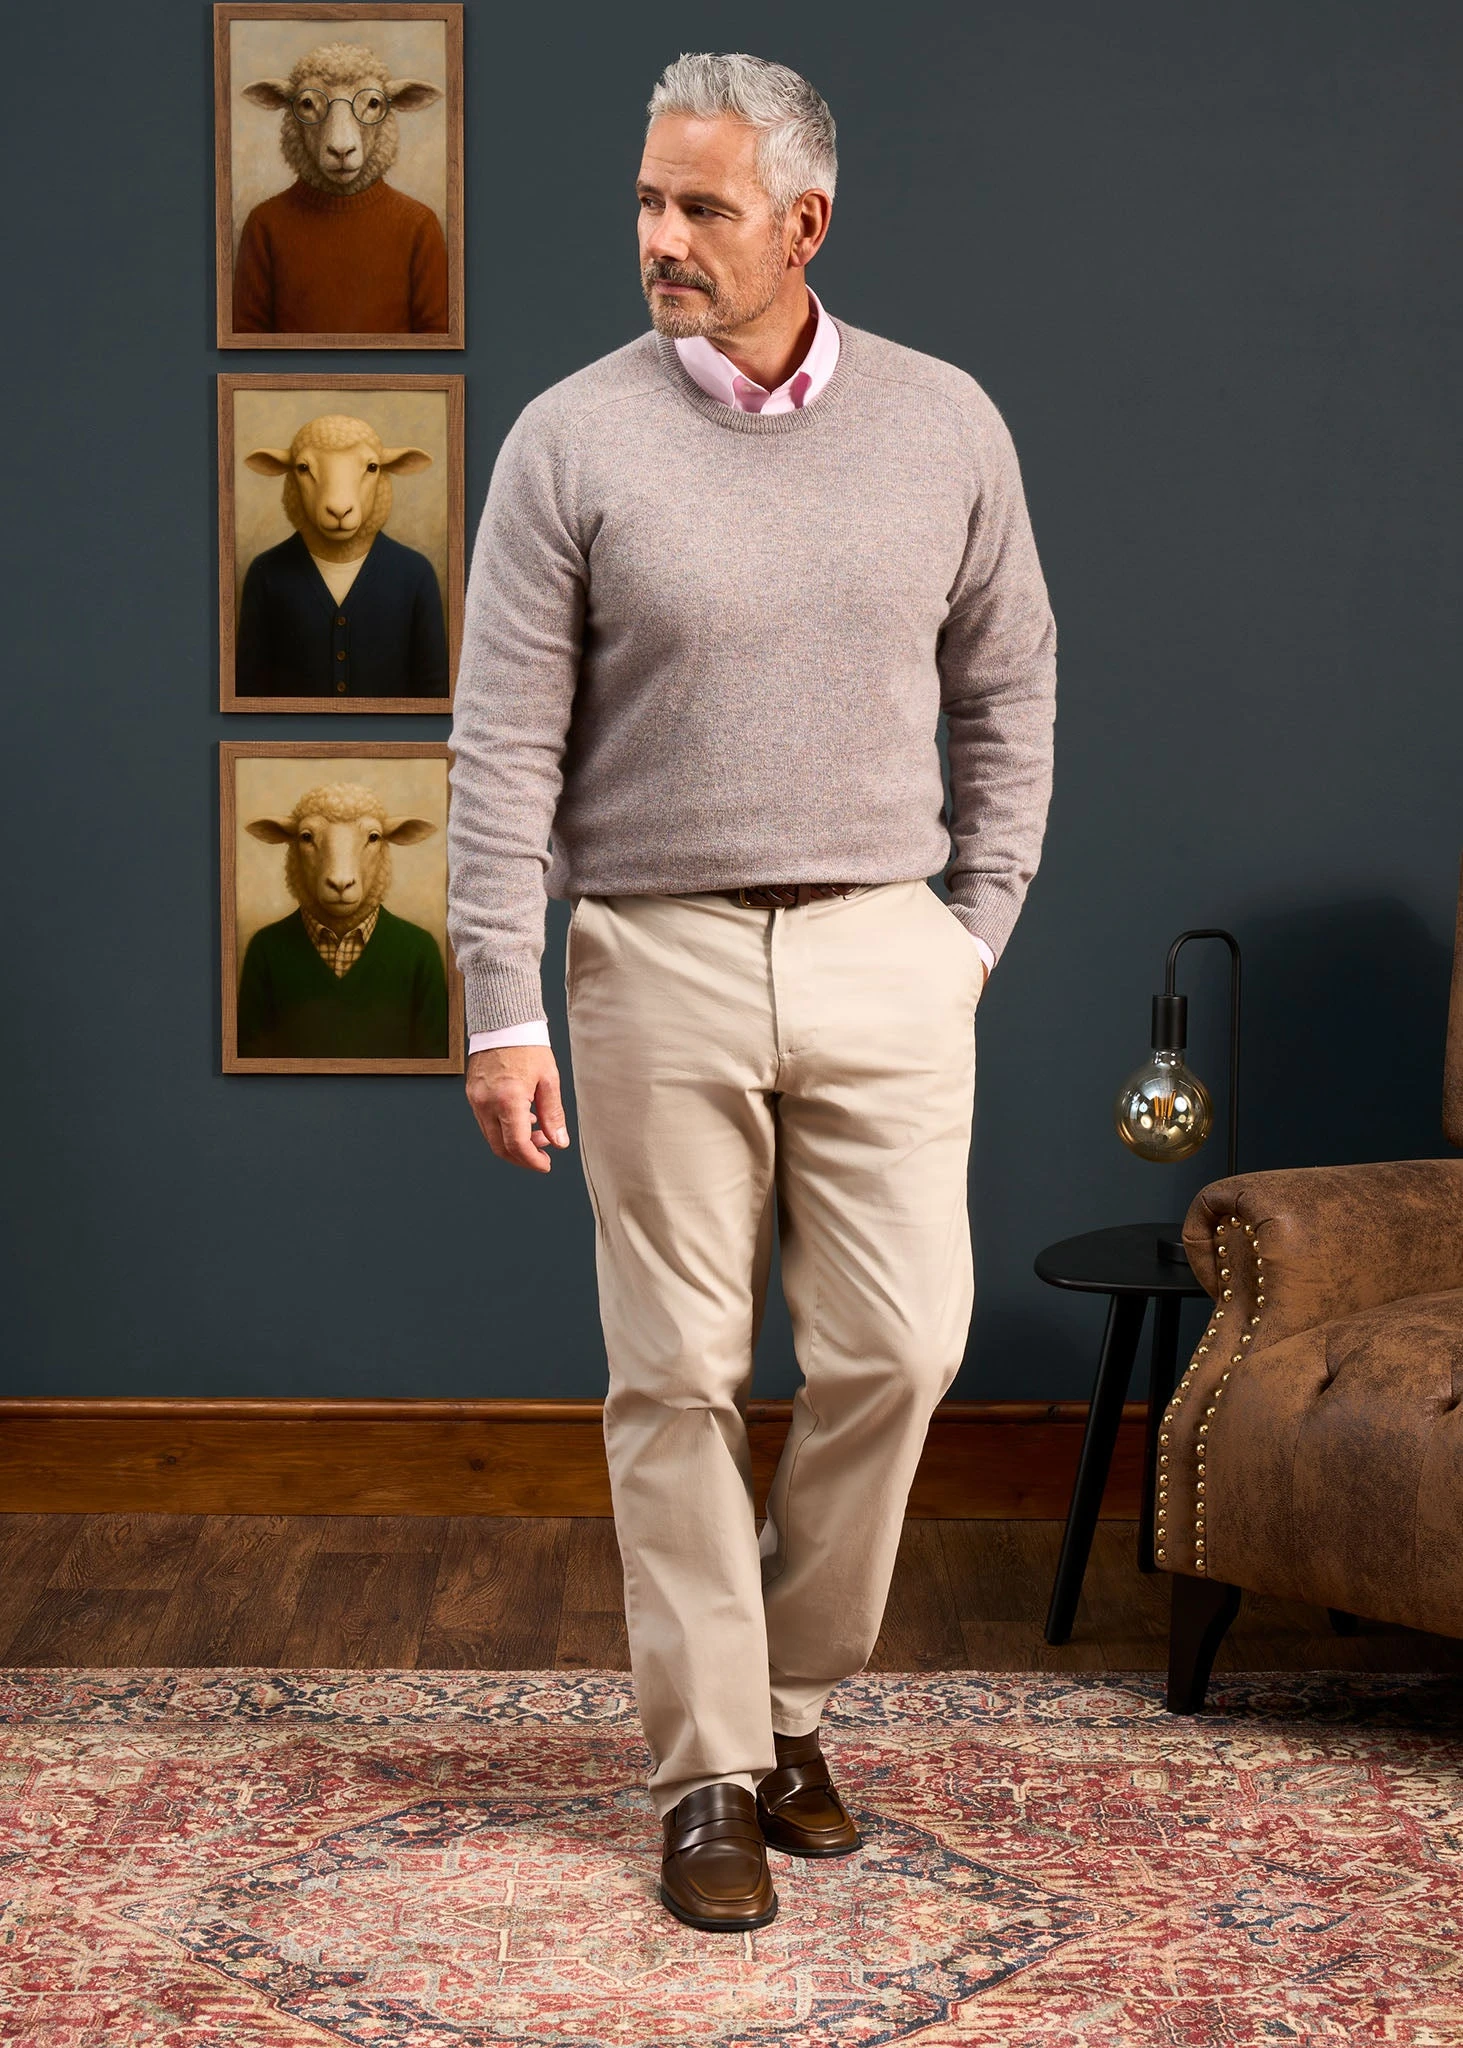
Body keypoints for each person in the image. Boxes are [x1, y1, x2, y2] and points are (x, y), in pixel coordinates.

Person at [446, 51, 1056, 1933]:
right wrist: (499, 1003)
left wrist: (971, 929)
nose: (660, 237)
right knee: (676, 1375)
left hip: (886, 944)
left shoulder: (946, 423)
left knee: (901, 1349)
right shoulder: (568, 440)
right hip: (654, 952)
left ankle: (785, 1701)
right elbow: (499, 744)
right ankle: (710, 1770)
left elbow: (1009, 689)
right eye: (647, 200)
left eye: (700, 208)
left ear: (805, 223)